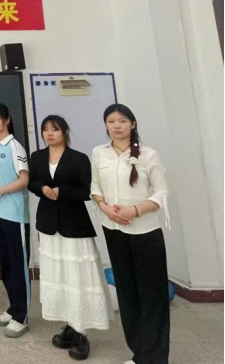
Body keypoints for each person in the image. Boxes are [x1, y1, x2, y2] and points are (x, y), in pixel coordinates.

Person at [90, 104, 170, 364]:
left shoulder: (148, 154)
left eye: (122, 121)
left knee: (152, 295)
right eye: (111, 121)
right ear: (105, 125)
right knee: (127, 292)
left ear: (132, 124)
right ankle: (139, 352)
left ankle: (155, 357)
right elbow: (95, 187)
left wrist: (134, 210)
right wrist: (105, 208)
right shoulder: (99, 153)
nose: (117, 126)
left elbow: (161, 193)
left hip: (144, 231)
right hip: (113, 229)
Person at [28, 115, 111, 361]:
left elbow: (87, 190)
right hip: (48, 223)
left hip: (74, 224)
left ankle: (82, 331)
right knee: (59, 275)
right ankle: (70, 324)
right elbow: (32, 182)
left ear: (64, 131)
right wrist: (42, 189)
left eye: (54, 129)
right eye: (45, 130)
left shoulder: (79, 158)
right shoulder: (37, 157)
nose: (49, 134)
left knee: (77, 276)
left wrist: (61, 191)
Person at [0, 103, 31, 338]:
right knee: (6, 264)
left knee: (18, 265)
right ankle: (13, 309)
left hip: (14, 214)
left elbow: (24, 180)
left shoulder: (14, 146)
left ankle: (22, 316)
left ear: (7, 120)